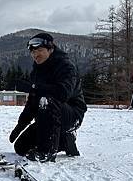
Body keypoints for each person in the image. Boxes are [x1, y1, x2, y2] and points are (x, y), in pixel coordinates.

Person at [9, 33, 87, 162]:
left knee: (47, 100)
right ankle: (64, 140)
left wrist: (33, 87)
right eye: (33, 52)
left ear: (50, 50)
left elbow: (63, 94)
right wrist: (20, 125)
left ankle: (47, 152)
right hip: (48, 117)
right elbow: (32, 101)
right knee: (21, 147)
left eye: (40, 50)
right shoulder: (37, 70)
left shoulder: (66, 66)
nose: (35, 55)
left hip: (71, 114)